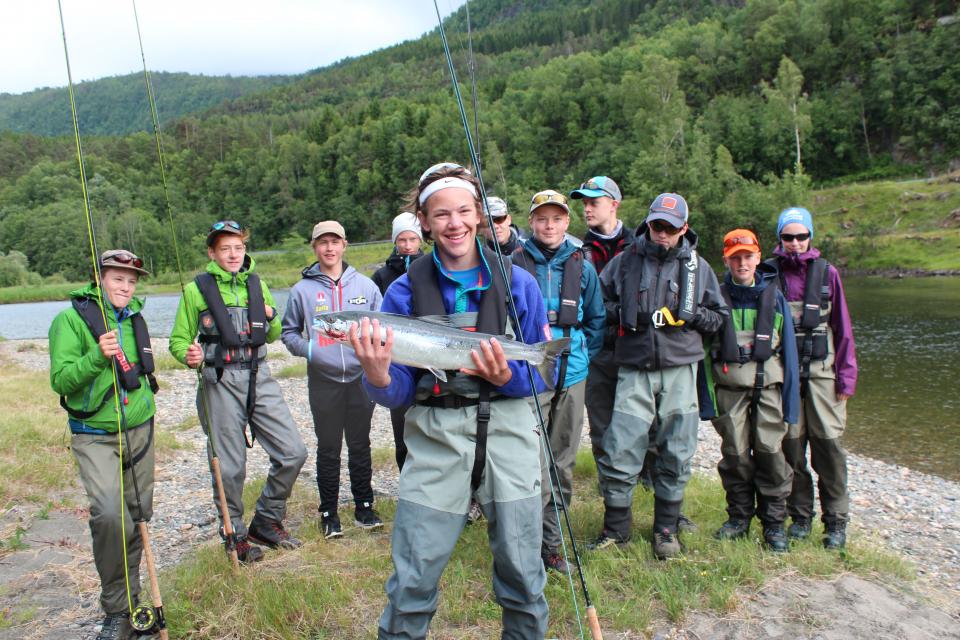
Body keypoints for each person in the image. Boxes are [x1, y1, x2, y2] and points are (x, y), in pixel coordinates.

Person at [353, 162, 551, 639]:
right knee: (413, 577)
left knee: (524, 576)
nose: (454, 223)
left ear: (479, 215)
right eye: (441, 214)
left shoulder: (519, 283)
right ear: (422, 221)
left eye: (464, 211)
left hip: (510, 437)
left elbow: (546, 374)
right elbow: (399, 390)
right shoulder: (401, 291)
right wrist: (377, 375)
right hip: (435, 440)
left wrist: (507, 376)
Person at [594, 193, 728, 559]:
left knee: (677, 449)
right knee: (620, 448)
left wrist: (693, 316)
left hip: (680, 370)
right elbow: (598, 305)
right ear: (648, 223)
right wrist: (620, 320)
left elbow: (719, 317)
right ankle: (616, 529)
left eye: (670, 227)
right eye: (657, 225)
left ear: (684, 228)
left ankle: (666, 530)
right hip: (634, 369)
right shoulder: (624, 263)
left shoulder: (699, 269)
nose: (662, 233)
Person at [169, 220, 307, 563]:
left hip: (260, 376)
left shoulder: (257, 284)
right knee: (230, 467)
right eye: (225, 248)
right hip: (219, 381)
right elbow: (178, 340)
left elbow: (272, 332)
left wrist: (272, 317)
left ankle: (268, 520)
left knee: (293, 452)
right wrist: (189, 355)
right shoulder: (194, 291)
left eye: (239, 247)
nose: (233, 254)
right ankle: (236, 536)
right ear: (212, 253)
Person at [49, 250, 158, 640]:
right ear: (99, 278)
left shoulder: (136, 318)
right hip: (94, 434)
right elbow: (61, 380)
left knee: (137, 516)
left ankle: (134, 603)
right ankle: (116, 610)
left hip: (140, 429)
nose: (125, 286)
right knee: (110, 517)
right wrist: (97, 356)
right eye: (117, 278)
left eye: (131, 280)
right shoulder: (69, 320)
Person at [511, 189, 605, 573]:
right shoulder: (513, 264)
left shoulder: (583, 265)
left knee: (562, 461)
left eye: (557, 219)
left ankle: (552, 544)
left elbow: (597, 321)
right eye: (542, 219)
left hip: (573, 373)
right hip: (532, 377)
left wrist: (580, 356)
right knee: (529, 462)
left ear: (567, 222)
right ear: (531, 222)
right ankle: (525, 541)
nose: (549, 226)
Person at [282, 220, 384, 539]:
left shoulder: (366, 287)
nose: (329, 248)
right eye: (323, 242)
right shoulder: (302, 291)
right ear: (315, 247)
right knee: (328, 447)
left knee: (360, 443)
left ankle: (364, 506)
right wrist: (311, 349)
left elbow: (382, 328)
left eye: (335, 241)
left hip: (360, 377)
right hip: (323, 380)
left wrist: (373, 358)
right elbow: (289, 333)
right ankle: (328, 513)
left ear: (344, 245)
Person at [699, 229, 800, 551]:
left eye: (748, 256)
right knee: (735, 456)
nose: (742, 263)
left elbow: (791, 356)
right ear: (726, 260)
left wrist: (792, 402)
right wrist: (706, 400)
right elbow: (703, 354)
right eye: (735, 258)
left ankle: (773, 525)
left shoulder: (775, 297)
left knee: (771, 455)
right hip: (729, 391)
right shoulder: (716, 297)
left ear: (758, 257)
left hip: (769, 389)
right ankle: (739, 518)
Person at [767, 207, 858, 550]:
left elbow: (844, 330)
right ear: (780, 239)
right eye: (788, 237)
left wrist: (846, 379)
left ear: (810, 237)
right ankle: (800, 517)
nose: (794, 243)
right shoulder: (769, 273)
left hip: (823, 375)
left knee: (829, 448)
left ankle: (836, 522)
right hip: (784, 377)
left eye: (800, 236)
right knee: (791, 447)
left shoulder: (828, 273)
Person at [371, 212, 424, 471]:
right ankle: (406, 478)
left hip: (426, 352)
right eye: (401, 239)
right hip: (396, 355)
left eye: (412, 238)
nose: (407, 244)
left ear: (420, 239)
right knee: (401, 426)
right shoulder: (382, 275)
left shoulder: (431, 269)